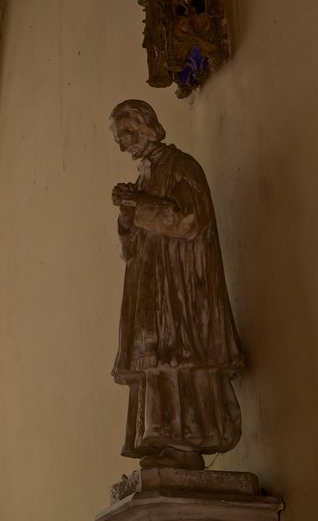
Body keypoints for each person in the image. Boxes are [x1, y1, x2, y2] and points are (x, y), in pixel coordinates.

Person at [109, 99, 244, 470]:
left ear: (149, 126)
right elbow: (130, 249)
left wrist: (141, 203)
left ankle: (186, 440)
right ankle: (163, 438)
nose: (124, 144)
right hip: (150, 291)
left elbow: (188, 221)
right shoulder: (144, 178)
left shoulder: (182, 167)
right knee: (156, 359)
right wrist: (126, 217)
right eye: (119, 138)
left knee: (178, 357)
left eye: (128, 133)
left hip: (181, 290)